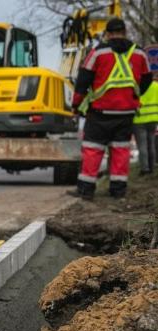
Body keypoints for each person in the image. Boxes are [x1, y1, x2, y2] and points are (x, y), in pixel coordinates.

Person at [70, 18, 153, 200]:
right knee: (121, 151)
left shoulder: (97, 53)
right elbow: (147, 79)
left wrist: (76, 105)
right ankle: (118, 191)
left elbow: (82, 81)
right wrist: (133, 95)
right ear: (125, 32)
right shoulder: (139, 53)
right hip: (126, 113)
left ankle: (85, 191)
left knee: (93, 149)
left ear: (107, 34)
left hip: (100, 112)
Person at [134, 77, 158, 174]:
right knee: (151, 144)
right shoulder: (156, 86)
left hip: (139, 119)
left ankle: (145, 169)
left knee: (142, 145)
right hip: (153, 119)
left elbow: (135, 102)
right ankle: (152, 166)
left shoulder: (137, 87)